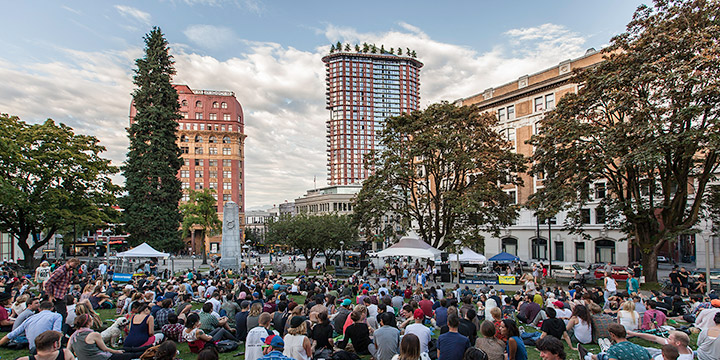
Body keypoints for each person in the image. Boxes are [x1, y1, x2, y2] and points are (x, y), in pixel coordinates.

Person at [68, 314, 146, 360]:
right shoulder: (93, 335)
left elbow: (68, 350)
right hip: (101, 358)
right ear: (88, 323)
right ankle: (148, 351)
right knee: (128, 354)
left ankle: (148, 348)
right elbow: (105, 349)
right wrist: (117, 351)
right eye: (91, 320)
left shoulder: (73, 335)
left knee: (125, 350)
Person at [45, 258, 80, 322]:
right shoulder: (60, 271)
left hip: (62, 294)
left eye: (73, 268)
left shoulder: (69, 271)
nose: (71, 269)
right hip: (56, 295)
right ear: (68, 262)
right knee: (61, 315)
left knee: (61, 314)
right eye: (70, 267)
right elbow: (48, 283)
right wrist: (50, 295)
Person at [626, 330, 693, 360]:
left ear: (678, 343)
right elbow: (655, 338)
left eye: (669, 339)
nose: (667, 340)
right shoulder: (684, 347)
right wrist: (634, 334)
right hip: (657, 353)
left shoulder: (682, 358)